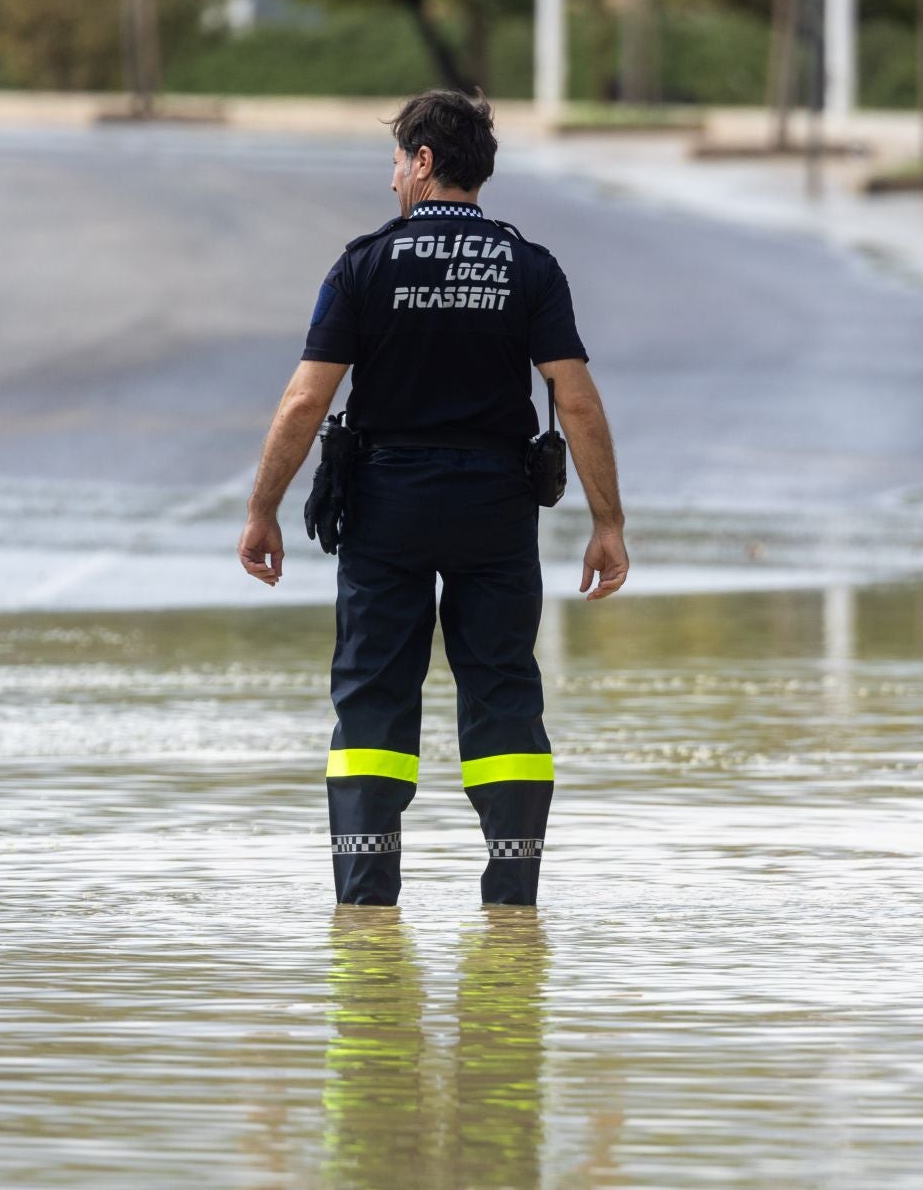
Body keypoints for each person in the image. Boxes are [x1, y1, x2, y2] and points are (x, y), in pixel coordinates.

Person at [237, 89, 629, 906]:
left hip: (387, 506)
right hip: (495, 506)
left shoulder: (364, 264)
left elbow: (306, 400)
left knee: (374, 694)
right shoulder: (531, 266)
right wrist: (607, 521)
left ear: (422, 161)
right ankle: (513, 894)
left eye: (395, 162)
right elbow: (577, 399)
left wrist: (263, 508)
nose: (390, 182)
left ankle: (366, 897)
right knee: (503, 689)